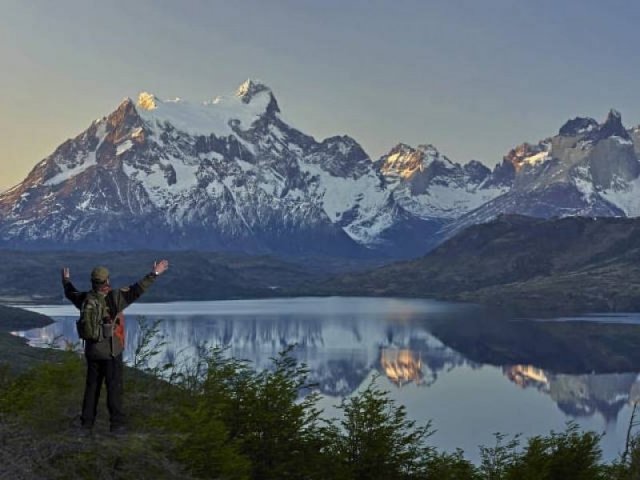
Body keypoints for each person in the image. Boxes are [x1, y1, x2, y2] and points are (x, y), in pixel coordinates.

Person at [61, 259, 169, 435]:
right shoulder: (115, 298)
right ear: (107, 281)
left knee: (92, 388)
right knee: (114, 388)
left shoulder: (85, 299)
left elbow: (70, 293)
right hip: (112, 352)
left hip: (92, 352)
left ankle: (86, 425)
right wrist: (155, 273)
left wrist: (65, 280)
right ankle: (117, 426)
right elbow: (137, 289)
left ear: (93, 282)